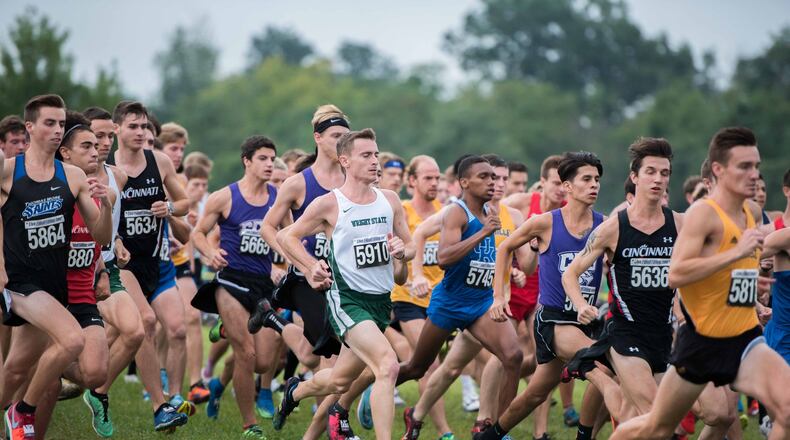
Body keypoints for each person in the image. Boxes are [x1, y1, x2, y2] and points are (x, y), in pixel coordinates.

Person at [610, 127, 790, 439]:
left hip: (744, 338)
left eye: (757, 167)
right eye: (744, 166)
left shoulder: (753, 211)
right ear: (718, 170)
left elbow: (739, 270)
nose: (754, 175)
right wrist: (736, 253)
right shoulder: (702, 215)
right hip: (701, 342)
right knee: (658, 426)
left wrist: (754, 289)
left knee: (786, 407)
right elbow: (675, 274)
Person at [273, 128, 414, 440]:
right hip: (347, 299)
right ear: (345, 161)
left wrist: (404, 251)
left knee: (338, 382)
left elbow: (411, 244)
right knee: (387, 366)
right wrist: (310, 266)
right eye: (366, 155)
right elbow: (286, 236)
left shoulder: (389, 200)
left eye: (376, 154)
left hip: (380, 303)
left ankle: (295, 392)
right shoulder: (329, 204)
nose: (375, 161)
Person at [0, 94, 113, 440]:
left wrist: (106, 206)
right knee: (71, 339)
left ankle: (10, 414)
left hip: (53, 286)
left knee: (16, 369)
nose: (56, 129)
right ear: (30, 127)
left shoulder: (73, 176)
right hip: (20, 283)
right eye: (49, 123)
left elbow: (102, 235)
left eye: (61, 124)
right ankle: (24, 411)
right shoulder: (8, 171)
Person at [475, 151, 606, 440]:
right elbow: (504, 248)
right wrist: (500, 295)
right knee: (601, 367)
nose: (594, 185)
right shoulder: (545, 222)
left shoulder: (605, 225)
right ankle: (586, 436)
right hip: (553, 320)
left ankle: (491, 435)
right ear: (567, 186)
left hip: (585, 319)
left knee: (536, 392)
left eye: (597, 179)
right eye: (586, 179)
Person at [398, 155, 524, 439]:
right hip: (450, 303)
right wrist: (484, 234)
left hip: (480, 303)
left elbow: (508, 258)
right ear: (464, 182)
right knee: (418, 367)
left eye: (494, 177)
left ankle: (498, 431)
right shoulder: (457, 212)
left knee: (513, 356)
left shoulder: (492, 212)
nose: (492, 182)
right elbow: (444, 258)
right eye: (484, 177)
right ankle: (372, 383)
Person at [560, 138, 682, 425]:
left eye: (664, 173)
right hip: (625, 334)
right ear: (634, 176)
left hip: (664, 335)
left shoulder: (680, 223)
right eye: (650, 171)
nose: (658, 179)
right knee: (654, 415)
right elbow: (571, 273)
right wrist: (580, 305)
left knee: (709, 414)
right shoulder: (613, 227)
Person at [105, 100, 191, 430]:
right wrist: (113, 240)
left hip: (158, 260)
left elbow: (183, 203)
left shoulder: (160, 161)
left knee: (180, 329)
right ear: (117, 130)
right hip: (124, 264)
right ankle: (157, 405)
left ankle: (173, 396)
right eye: (133, 127)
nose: (141, 133)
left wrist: (169, 207)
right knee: (146, 323)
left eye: (144, 127)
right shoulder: (108, 166)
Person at [191, 135, 282, 439]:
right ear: (247, 161)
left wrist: (282, 267)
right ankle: (249, 425)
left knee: (264, 361)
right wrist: (210, 252)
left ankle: (217, 384)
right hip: (230, 281)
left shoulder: (278, 198)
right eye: (263, 159)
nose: (270, 164)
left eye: (272, 159)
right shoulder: (224, 197)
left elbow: (295, 236)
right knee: (246, 354)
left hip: (263, 285)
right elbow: (198, 233)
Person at [80, 106, 146, 437]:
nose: (104, 143)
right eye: (97, 136)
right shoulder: (70, 176)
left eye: (109, 135)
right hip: (76, 269)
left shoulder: (118, 176)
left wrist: (117, 240)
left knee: (135, 331)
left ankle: (98, 392)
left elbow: (108, 221)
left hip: (108, 268)